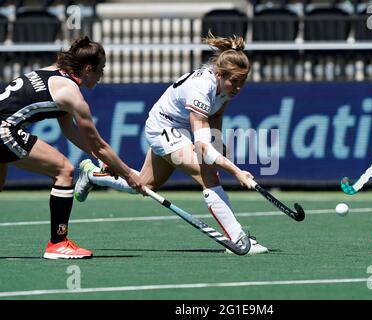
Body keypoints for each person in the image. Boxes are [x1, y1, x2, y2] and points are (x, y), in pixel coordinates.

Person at [74, 31, 268, 254]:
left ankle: (92, 175)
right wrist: (236, 171)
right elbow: (202, 148)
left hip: (179, 128)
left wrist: (217, 140)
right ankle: (238, 239)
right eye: (234, 81)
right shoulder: (201, 88)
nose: (238, 87)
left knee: (145, 185)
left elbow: (215, 115)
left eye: (243, 82)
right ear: (219, 74)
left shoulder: (225, 87)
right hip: (164, 128)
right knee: (208, 174)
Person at [0, 36, 145, 259]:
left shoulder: (55, 72)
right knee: (64, 170)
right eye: (100, 69)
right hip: (4, 129)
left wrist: (101, 158)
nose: (101, 76)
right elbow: (98, 143)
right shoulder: (72, 94)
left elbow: (69, 130)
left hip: (4, 126)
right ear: (88, 68)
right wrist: (128, 175)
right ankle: (58, 243)